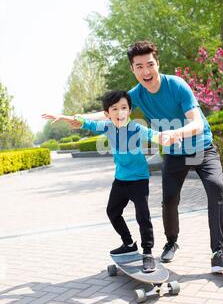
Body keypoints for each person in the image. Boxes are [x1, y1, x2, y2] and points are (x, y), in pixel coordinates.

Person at [51, 41, 223, 273]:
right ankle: (171, 242)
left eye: (150, 64)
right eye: (139, 67)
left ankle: (218, 253)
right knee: (169, 200)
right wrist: (76, 118)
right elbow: (109, 109)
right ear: (133, 69)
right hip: (174, 153)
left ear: (157, 63)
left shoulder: (177, 86)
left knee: (215, 188)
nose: (146, 71)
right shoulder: (136, 95)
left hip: (201, 147)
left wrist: (174, 133)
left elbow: (198, 123)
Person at [42, 90, 180, 274]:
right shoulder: (107, 127)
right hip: (121, 180)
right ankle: (129, 243)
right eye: (114, 108)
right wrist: (62, 117)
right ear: (107, 114)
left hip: (139, 179)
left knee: (143, 216)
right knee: (112, 212)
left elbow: (154, 135)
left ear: (129, 110)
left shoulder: (136, 128)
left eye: (124, 107)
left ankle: (147, 253)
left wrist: (168, 138)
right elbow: (86, 122)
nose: (119, 112)